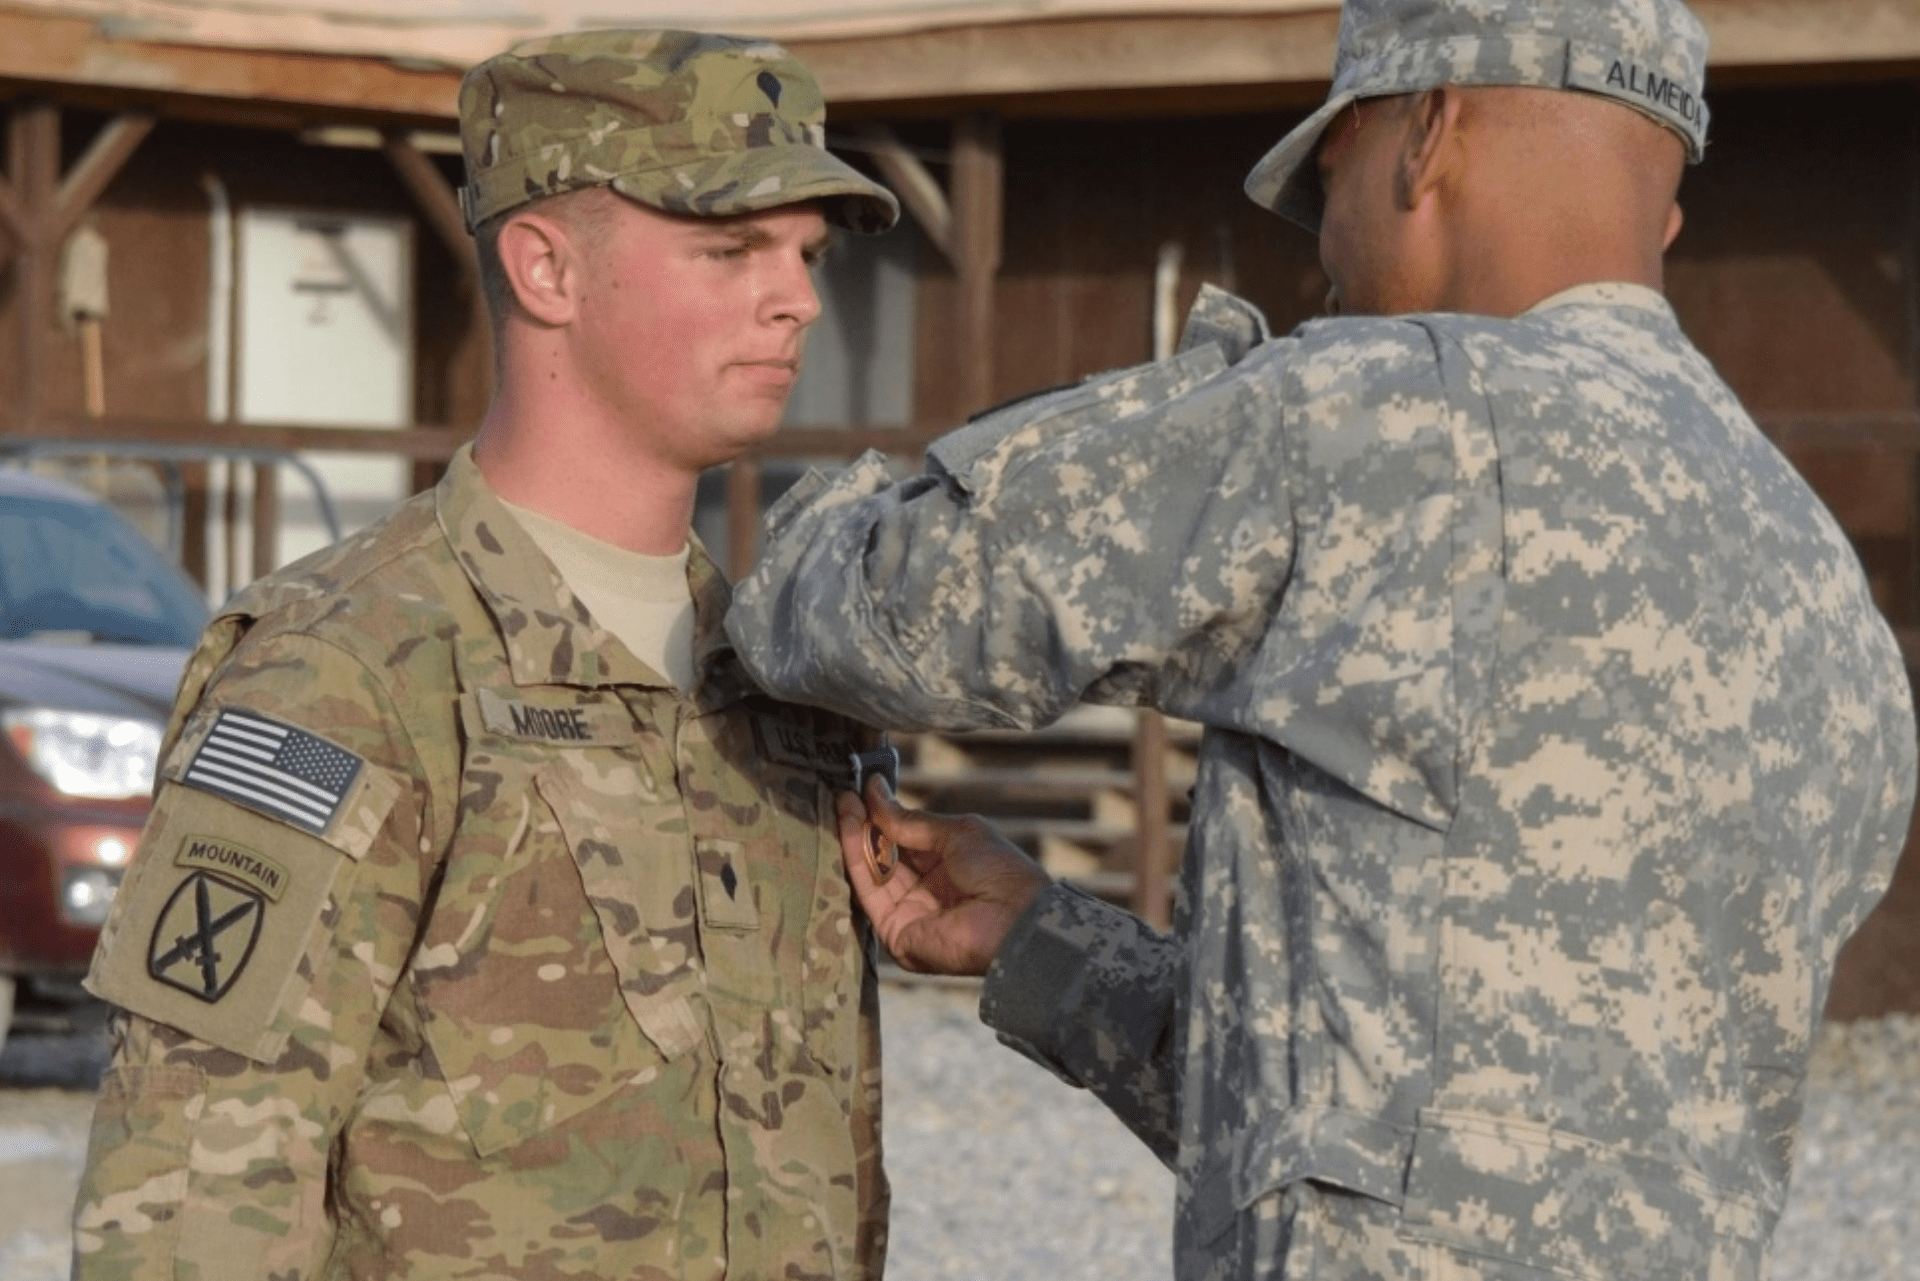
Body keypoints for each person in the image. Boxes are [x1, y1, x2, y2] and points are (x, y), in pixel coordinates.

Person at [723, 0, 1920, 1277]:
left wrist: (800, 508)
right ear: (1662, 213)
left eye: (1328, 182)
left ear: (1427, 133)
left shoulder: (1383, 411)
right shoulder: (1818, 579)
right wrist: (1042, 946)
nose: (1325, 258)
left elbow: (879, 616)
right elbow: (1434, 1130)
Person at [72, 28, 899, 1281]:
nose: (795, 298)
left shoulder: (780, 679)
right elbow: (194, 1203)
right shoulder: (350, 672)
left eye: (805, 255)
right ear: (546, 269)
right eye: (730, 248)